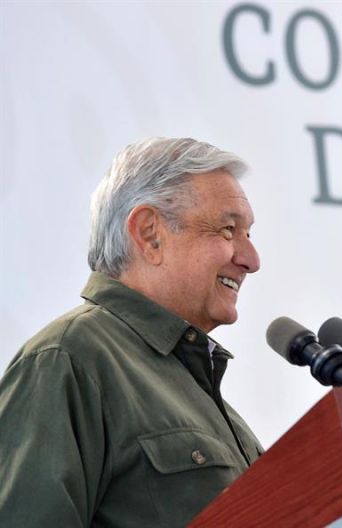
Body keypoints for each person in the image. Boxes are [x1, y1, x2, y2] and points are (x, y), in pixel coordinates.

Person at [0, 137, 264, 527]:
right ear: (149, 233)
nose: (251, 260)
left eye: (249, 235)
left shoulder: (200, 389)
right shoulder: (66, 359)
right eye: (228, 230)